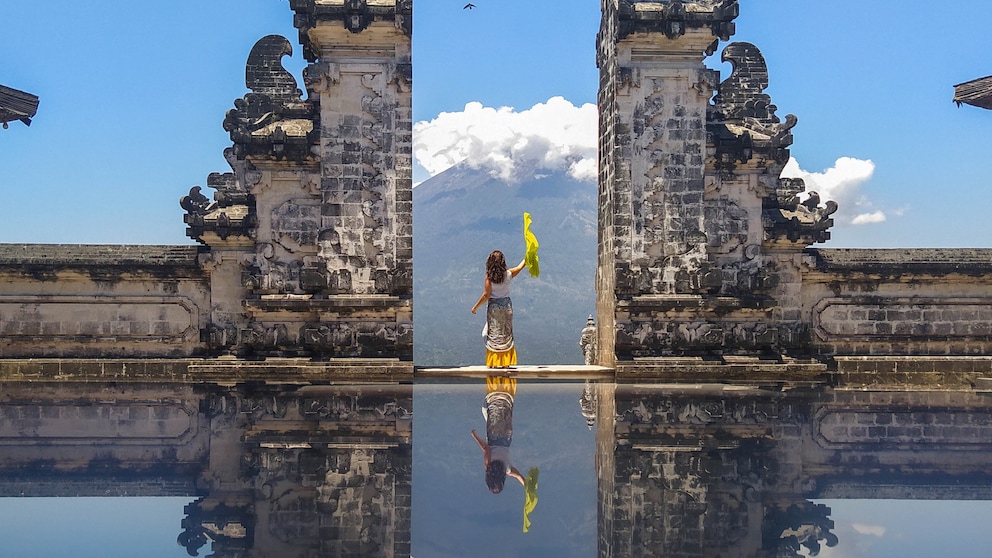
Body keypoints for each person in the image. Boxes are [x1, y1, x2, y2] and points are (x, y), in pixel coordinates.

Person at [471, 250, 527, 368]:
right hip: (507, 307)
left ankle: (494, 362)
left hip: (494, 309)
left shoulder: (489, 278)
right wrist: (528, 256)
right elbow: (520, 267)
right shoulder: (509, 274)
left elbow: (486, 295)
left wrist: (475, 307)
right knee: (506, 334)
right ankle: (505, 362)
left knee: (494, 334)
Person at [471, 376, 525, 494]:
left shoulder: (507, 470)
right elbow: (486, 448)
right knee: (492, 407)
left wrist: (526, 486)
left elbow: (519, 476)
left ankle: (506, 389)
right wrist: (475, 436)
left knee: (504, 410)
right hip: (494, 436)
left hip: (506, 437)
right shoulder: (488, 464)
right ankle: (496, 383)